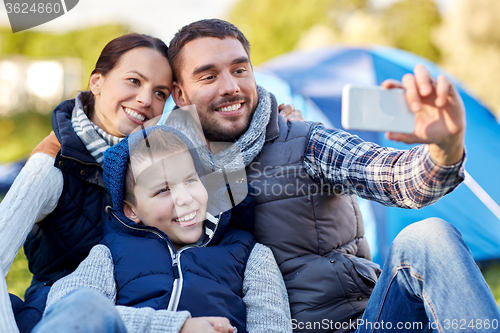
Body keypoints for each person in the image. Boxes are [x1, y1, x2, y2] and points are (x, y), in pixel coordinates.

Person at [162, 19, 499, 332]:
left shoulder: (304, 140)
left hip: (358, 323)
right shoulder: (158, 172)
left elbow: (399, 180)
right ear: (179, 94)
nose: (231, 87)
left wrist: (446, 146)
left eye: (240, 70)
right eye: (209, 76)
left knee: (429, 237)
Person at [0, 32, 299, 333]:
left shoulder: (166, 146)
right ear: (97, 82)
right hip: (72, 314)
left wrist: (280, 124)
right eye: (133, 81)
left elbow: (226, 141)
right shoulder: (53, 162)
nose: (145, 100)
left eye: (159, 93)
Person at [33, 125, 291, 333]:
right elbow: (68, 310)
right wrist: (177, 327)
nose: (185, 198)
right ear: (131, 210)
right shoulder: (110, 254)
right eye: (163, 190)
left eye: (191, 180)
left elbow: (272, 326)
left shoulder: (249, 254)